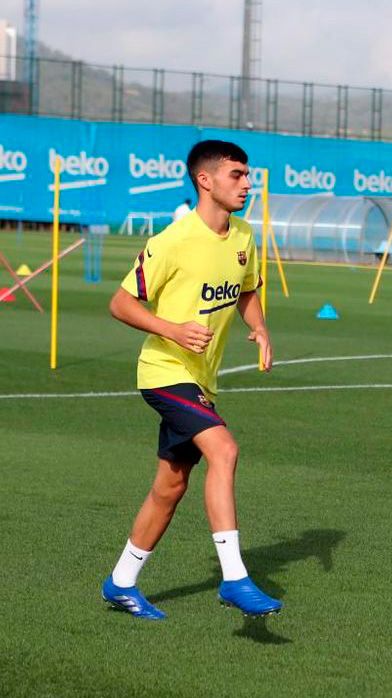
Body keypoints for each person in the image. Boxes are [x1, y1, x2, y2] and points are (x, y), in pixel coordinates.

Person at [101, 140, 281, 619]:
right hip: (163, 372)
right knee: (225, 449)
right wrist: (172, 328)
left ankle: (120, 582)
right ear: (206, 180)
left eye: (248, 175)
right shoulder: (172, 242)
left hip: (201, 379)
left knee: (170, 485)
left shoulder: (243, 236)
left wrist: (259, 327)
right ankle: (235, 579)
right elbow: (120, 303)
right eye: (237, 175)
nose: (247, 183)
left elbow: (247, 290)